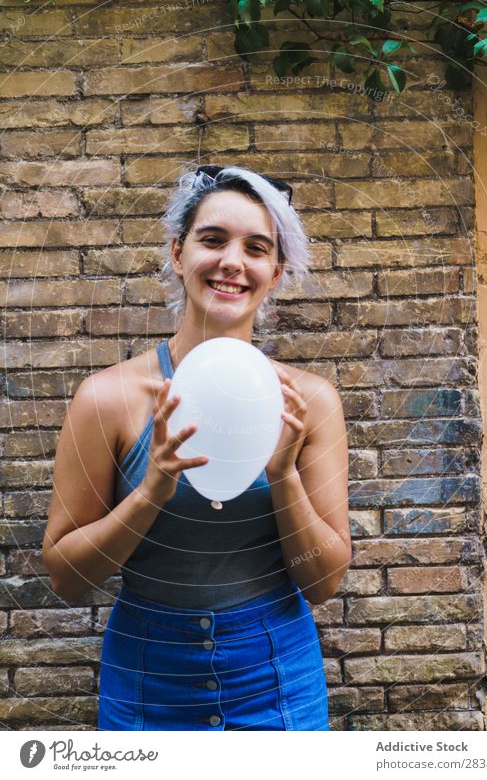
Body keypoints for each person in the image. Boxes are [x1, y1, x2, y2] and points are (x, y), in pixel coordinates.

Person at [42, 164, 351, 731]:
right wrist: (151, 491)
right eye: (213, 240)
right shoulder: (106, 400)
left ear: (276, 273)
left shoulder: (311, 404)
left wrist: (283, 474)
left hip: (278, 681)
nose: (232, 261)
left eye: (256, 248)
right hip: (146, 680)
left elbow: (324, 584)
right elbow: (66, 578)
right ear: (179, 253)